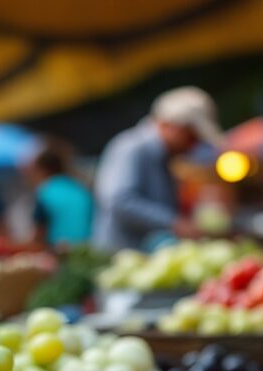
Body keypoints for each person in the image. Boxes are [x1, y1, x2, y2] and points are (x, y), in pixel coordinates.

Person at [93, 86, 224, 250]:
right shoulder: (131, 147)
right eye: (191, 137)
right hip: (122, 254)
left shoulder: (164, 157)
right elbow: (119, 201)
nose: (193, 146)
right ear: (169, 125)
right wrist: (174, 223)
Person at [28, 143, 95, 247]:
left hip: (59, 250)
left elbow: (39, 236)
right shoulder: (79, 188)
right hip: (87, 248)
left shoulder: (46, 191)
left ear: (43, 170)